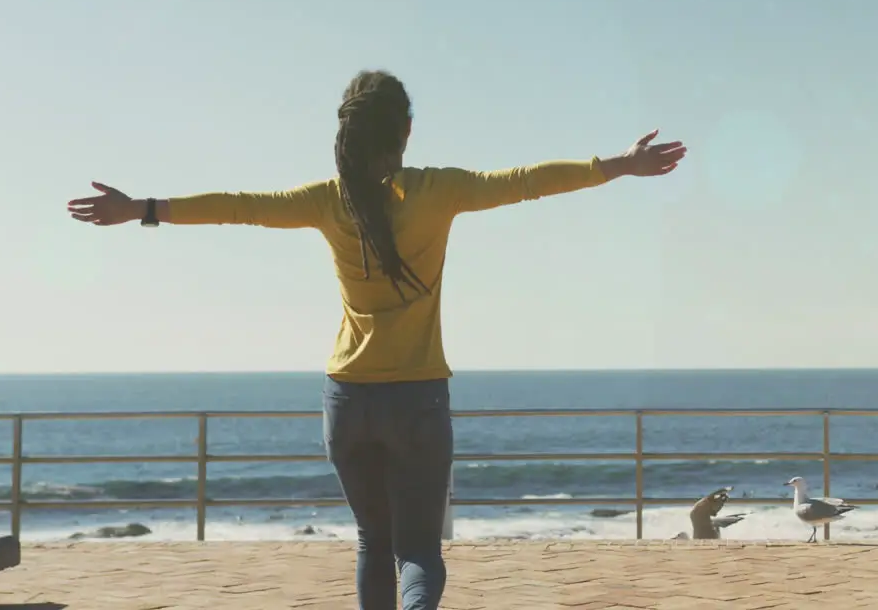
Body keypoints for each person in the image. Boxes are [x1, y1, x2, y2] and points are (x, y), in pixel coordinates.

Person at [65, 69, 688, 610]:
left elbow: (238, 205)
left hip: (348, 402)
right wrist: (620, 167)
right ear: (405, 133)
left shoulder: (325, 200)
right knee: (417, 551)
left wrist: (141, 208)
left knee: (373, 541)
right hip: (418, 400)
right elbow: (526, 180)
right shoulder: (438, 190)